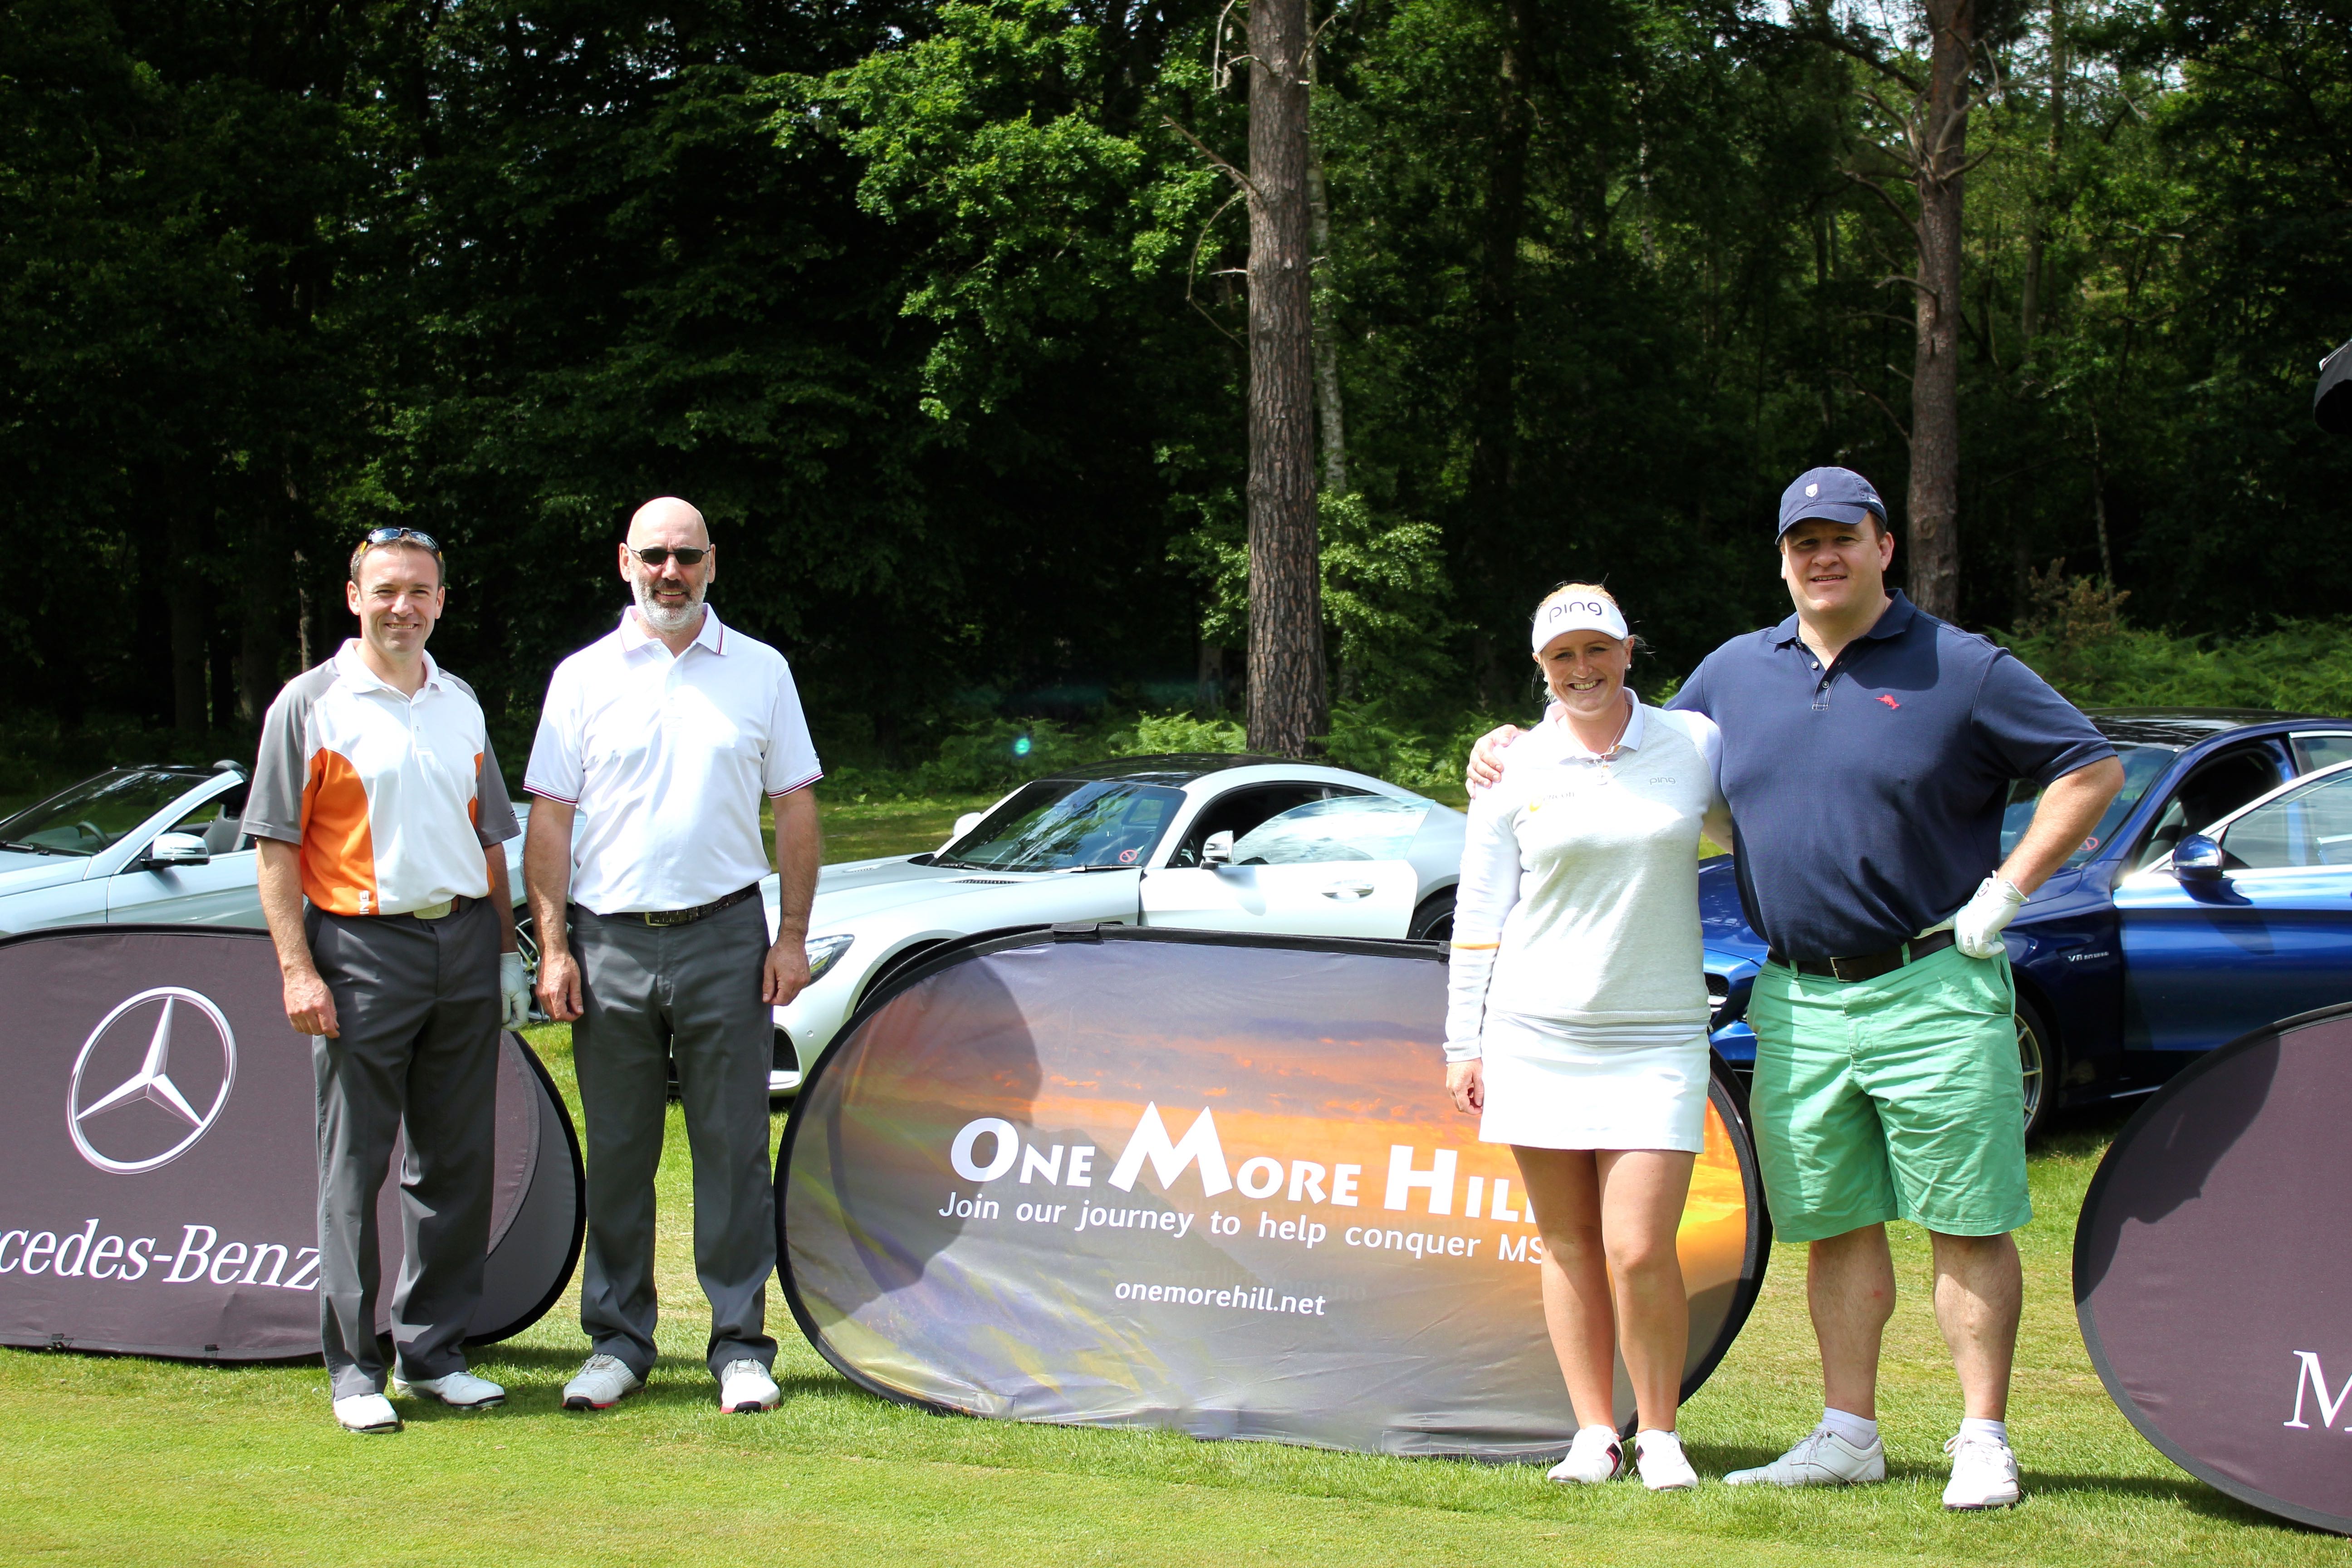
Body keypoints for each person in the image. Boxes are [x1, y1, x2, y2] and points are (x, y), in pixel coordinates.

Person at [1466, 469, 2124, 1510]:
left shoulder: (1962, 665)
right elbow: (1623, 741)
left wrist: (2007, 890)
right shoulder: (1736, 674)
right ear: (1782, 560)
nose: (1823, 558)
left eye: (1842, 538)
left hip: (1933, 982)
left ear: (1884, 547)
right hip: (1798, 995)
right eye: (1803, 543)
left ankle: (1983, 1437)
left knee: (1967, 1216)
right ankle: (1848, 1433)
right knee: (1833, 1221)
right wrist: (1511, 744)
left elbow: (2090, 767)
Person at [523, 495, 823, 1416]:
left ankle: (740, 1346)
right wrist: (553, 946)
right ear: (625, 562)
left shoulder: (761, 670)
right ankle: (617, 1343)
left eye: (686, 556)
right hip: (607, 941)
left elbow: (796, 809)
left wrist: (793, 936)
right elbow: (550, 822)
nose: (670, 571)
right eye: (653, 554)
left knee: (733, 1151)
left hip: (725, 937)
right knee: (619, 1154)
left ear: (712, 563)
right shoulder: (582, 676)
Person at [1448, 583, 1734, 1491]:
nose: (1583, 670)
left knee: (1640, 1247)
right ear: (1541, 668)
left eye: (1597, 650)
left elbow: (1746, 829)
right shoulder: (1511, 766)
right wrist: (1462, 1044)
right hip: (1534, 1031)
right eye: (1562, 656)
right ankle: (1593, 1433)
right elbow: (1479, 916)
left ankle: (1661, 1434)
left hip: (1659, 1033)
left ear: (1628, 651)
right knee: (1568, 1244)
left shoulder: (1693, 742)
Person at [246, 527, 532, 1435]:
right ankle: (352, 1370)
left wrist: (506, 951)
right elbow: (275, 848)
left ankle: (434, 1354)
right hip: (360, 950)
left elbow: (490, 838)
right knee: (354, 1166)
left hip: (463, 942)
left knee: (456, 1160)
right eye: (385, 590)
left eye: (418, 591)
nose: (401, 607)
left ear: (441, 601)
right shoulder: (310, 703)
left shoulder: (460, 700)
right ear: (353, 598)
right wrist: (298, 969)